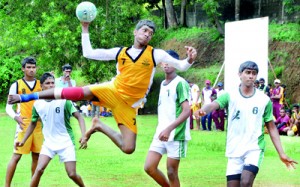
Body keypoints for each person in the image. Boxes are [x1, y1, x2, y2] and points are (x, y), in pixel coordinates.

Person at [8, 19, 197, 154]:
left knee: (128, 148)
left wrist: (189, 59)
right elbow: (89, 53)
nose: (147, 34)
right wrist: (85, 28)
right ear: (136, 32)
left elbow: (181, 65)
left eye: (150, 33)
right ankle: (26, 97)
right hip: (112, 91)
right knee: (75, 93)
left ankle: (98, 125)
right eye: (145, 30)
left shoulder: (156, 54)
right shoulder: (120, 52)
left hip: (129, 105)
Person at [194, 61, 297, 187]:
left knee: (246, 182)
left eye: (254, 73)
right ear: (239, 74)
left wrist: (282, 153)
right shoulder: (230, 95)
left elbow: (271, 127)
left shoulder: (264, 100)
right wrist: (203, 110)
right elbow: (213, 104)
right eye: (247, 72)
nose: (251, 76)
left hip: (254, 148)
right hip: (234, 148)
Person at [15, 72, 87, 187]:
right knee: (39, 170)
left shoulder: (64, 100)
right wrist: (23, 140)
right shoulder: (38, 104)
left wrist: (84, 135)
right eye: (47, 83)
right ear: (42, 86)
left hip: (66, 142)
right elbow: (33, 124)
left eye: (53, 83)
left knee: (72, 173)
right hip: (49, 143)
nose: (51, 85)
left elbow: (79, 117)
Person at [144, 50, 191, 187]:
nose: (166, 64)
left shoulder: (180, 83)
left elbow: (186, 110)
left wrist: (169, 129)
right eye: (164, 61)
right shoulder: (162, 84)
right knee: (149, 167)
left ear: (176, 64)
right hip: (160, 132)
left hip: (176, 133)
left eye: (170, 61)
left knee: (171, 172)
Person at [5, 57, 43, 187]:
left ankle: (33, 185)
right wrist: (16, 117)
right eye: (29, 67)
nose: (31, 70)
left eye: (33, 67)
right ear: (23, 68)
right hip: (24, 124)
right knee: (16, 156)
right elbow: (8, 107)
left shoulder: (41, 84)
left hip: (38, 125)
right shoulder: (16, 85)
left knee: (37, 157)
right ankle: (6, 185)